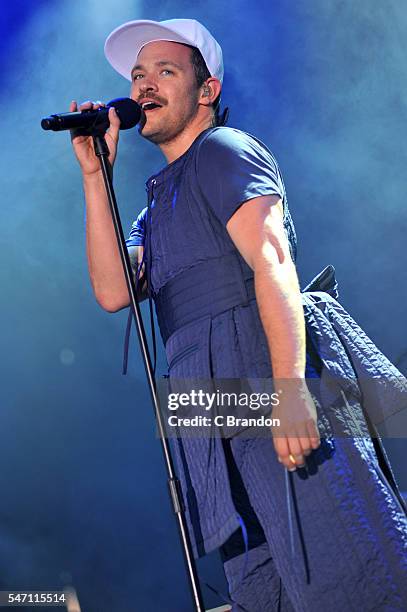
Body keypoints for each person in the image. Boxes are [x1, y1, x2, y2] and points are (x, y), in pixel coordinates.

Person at [70, 18, 407, 612]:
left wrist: (291, 390)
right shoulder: (161, 196)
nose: (144, 86)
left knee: (340, 561)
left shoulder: (223, 150)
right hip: (211, 406)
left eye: (165, 72)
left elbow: (273, 261)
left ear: (208, 90)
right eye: (138, 75)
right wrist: (96, 177)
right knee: (263, 580)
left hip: (263, 373)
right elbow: (111, 290)